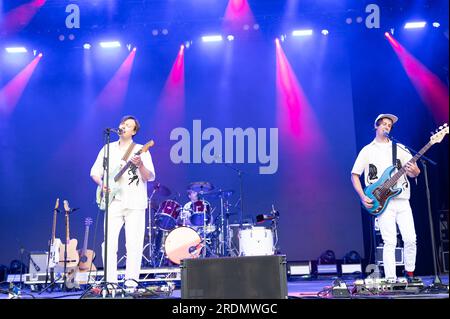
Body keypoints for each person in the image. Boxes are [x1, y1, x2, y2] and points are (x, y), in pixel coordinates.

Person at [351, 113, 421, 283]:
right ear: (376, 126)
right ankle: (391, 278)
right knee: (389, 241)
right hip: (382, 202)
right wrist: (362, 196)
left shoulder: (400, 149)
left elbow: (415, 172)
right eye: (384, 124)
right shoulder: (368, 150)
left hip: (403, 199)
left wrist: (414, 171)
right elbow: (354, 175)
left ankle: (409, 274)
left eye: (389, 125)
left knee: (411, 238)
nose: (387, 127)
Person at [90, 115, 155, 290]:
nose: (123, 127)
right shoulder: (107, 148)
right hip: (113, 202)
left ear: (134, 131)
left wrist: (140, 164)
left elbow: (149, 176)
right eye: (122, 124)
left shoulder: (142, 149)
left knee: (133, 245)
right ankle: (110, 284)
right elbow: (95, 172)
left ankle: (130, 285)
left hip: (135, 203)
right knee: (109, 244)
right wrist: (102, 183)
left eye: (128, 125)